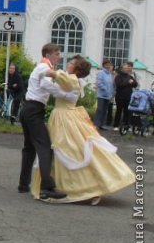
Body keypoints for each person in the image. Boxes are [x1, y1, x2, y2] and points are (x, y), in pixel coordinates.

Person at [31, 56, 135, 204]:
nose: (69, 64)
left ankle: (91, 188)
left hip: (65, 118)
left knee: (71, 151)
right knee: (61, 151)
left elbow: (55, 77)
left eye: (72, 63)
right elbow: (53, 87)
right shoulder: (71, 79)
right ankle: (56, 186)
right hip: (61, 117)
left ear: (78, 69)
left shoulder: (72, 79)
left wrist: (41, 71)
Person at [18, 43, 78, 200]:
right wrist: (65, 95)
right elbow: (45, 83)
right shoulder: (44, 67)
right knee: (45, 147)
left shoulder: (42, 66)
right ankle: (47, 187)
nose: (59, 56)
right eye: (57, 53)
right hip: (33, 110)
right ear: (48, 55)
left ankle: (23, 184)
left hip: (28, 109)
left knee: (29, 148)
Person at [113, 61, 138, 130]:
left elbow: (135, 84)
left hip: (128, 96)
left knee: (127, 112)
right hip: (120, 96)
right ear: (122, 69)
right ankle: (116, 125)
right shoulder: (118, 76)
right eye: (126, 68)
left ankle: (126, 125)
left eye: (129, 68)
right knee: (119, 111)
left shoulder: (130, 76)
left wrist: (133, 82)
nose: (128, 69)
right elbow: (118, 85)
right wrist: (128, 82)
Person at [93, 59, 114, 130]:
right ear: (104, 65)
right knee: (100, 110)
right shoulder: (101, 73)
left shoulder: (110, 74)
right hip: (101, 95)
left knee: (105, 110)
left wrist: (111, 93)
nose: (108, 66)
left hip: (108, 96)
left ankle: (101, 124)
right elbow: (99, 83)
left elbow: (111, 85)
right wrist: (105, 89)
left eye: (109, 65)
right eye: (106, 65)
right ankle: (96, 124)